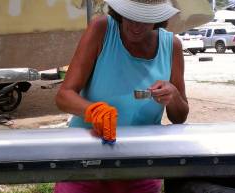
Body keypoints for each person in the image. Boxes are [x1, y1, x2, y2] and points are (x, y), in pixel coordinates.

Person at [54, 0, 189, 192]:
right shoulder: (102, 29)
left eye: (145, 19)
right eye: (130, 16)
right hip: (85, 160)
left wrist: (173, 94)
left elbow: (180, 116)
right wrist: (92, 111)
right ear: (119, 12)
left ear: (158, 18)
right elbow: (64, 96)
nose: (135, 26)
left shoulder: (172, 45)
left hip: (141, 163)